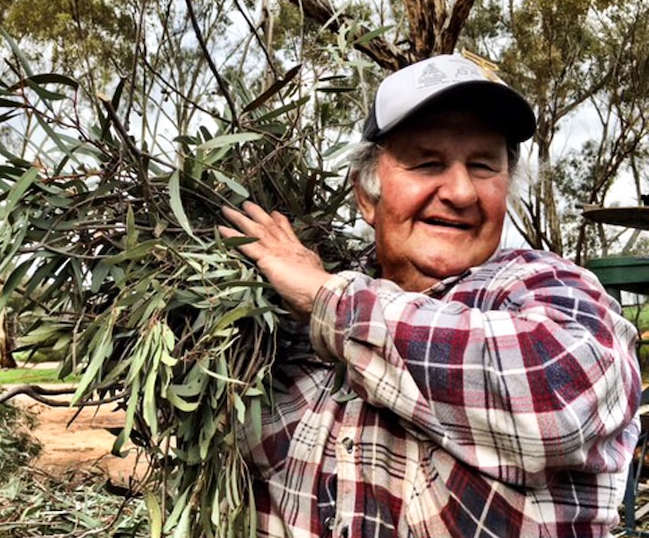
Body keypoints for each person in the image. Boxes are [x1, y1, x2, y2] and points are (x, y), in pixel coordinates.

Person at [217, 53, 642, 537]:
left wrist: (326, 299)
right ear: (365, 195)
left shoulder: (546, 289)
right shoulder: (281, 318)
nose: (460, 191)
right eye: (427, 163)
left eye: (483, 166)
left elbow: (558, 398)